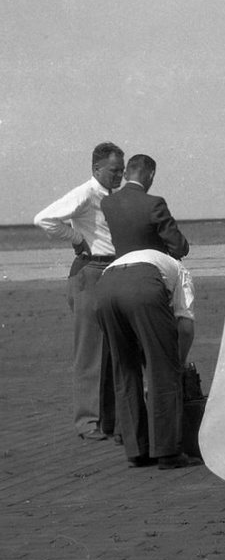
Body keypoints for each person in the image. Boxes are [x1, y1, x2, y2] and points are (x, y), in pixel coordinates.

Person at [34, 142, 124, 440]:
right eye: (114, 170)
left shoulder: (114, 195)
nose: (119, 175)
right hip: (90, 271)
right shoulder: (85, 193)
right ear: (97, 168)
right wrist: (74, 238)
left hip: (112, 270)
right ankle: (87, 422)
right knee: (90, 350)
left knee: (113, 349)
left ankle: (107, 421)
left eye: (122, 170)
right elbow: (44, 218)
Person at [95, 249, 199, 468]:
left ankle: (137, 450)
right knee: (163, 370)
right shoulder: (182, 273)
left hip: (105, 287)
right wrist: (178, 363)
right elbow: (186, 326)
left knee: (124, 369)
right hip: (143, 286)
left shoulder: (151, 259)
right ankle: (168, 451)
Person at [101, 154, 190, 260]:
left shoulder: (107, 202)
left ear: (125, 175)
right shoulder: (155, 203)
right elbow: (179, 246)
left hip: (120, 265)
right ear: (151, 175)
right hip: (150, 268)